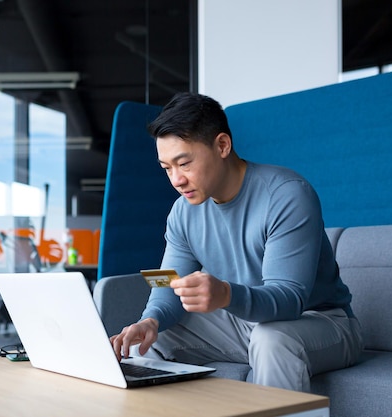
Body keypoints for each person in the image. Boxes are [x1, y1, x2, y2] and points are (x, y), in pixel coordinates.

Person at [110, 92, 363, 392]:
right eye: (167, 168)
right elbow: (169, 284)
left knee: (272, 339)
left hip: (320, 322)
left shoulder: (286, 195)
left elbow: (289, 299)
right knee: (150, 339)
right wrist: (150, 321)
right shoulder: (182, 212)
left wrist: (227, 294)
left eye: (185, 163)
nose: (176, 180)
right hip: (245, 322)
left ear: (222, 146)